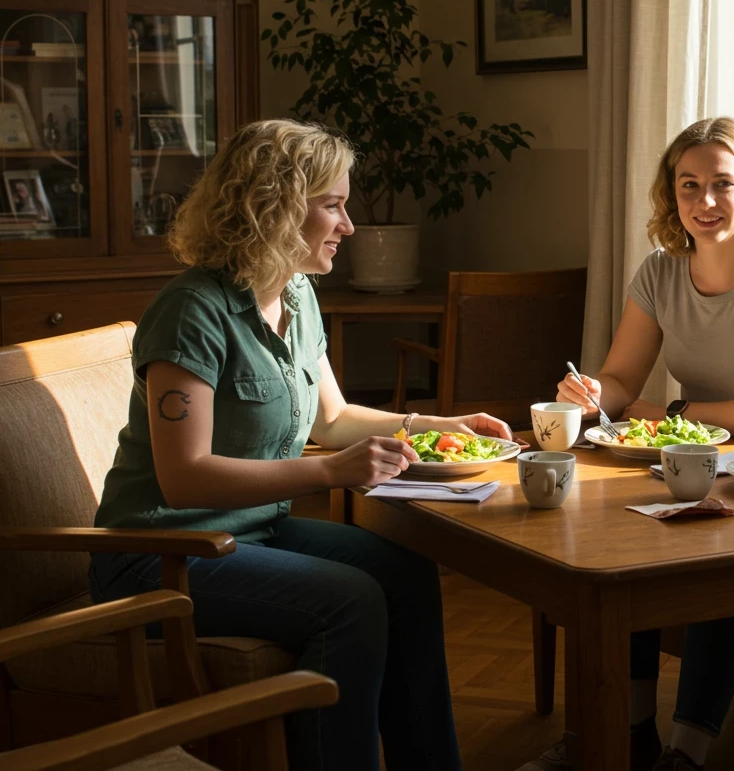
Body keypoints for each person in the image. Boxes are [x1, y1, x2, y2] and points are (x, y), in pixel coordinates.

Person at [89, 119, 514, 771]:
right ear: (277, 208)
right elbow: (185, 478)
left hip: (248, 533)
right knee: (352, 602)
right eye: (333, 205)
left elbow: (334, 420)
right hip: (160, 552)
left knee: (405, 572)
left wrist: (437, 426)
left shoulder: (297, 294)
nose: (347, 225)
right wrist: (328, 477)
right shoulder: (191, 311)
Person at [519, 116, 734, 771]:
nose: (705, 202)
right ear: (671, 195)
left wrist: (673, 409)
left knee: (725, 557)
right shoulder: (661, 270)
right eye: (689, 186)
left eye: (722, 184)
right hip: (693, 460)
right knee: (613, 549)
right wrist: (590, 394)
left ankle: (686, 755)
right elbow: (623, 379)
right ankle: (627, 730)